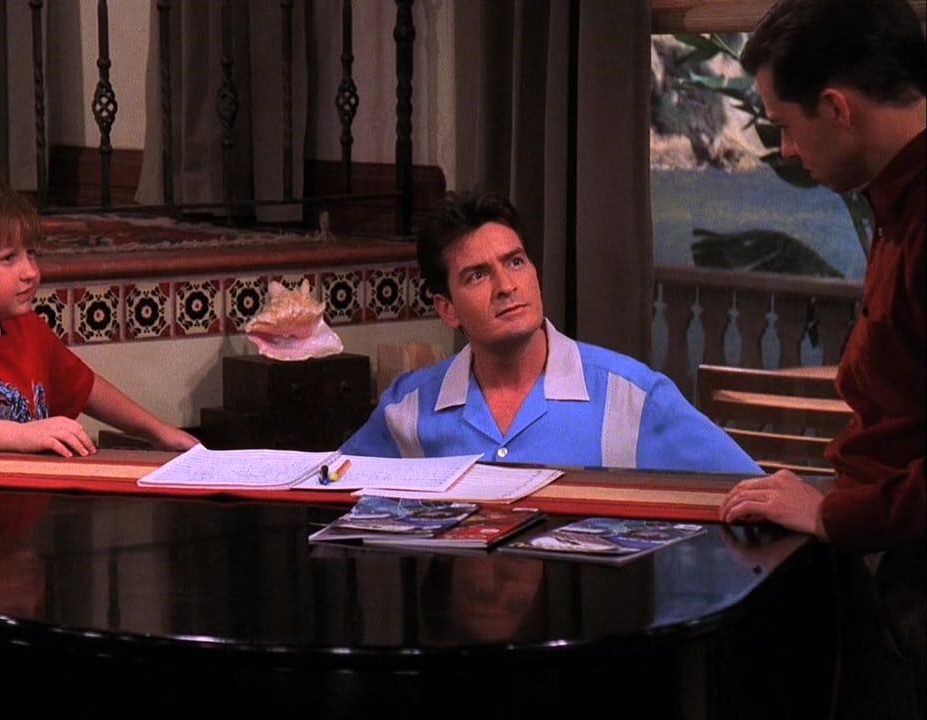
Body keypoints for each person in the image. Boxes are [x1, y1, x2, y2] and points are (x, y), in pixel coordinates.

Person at [717, 0, 925, 715]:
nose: (786, 151)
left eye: (786, 125)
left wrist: (836, 516)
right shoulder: (898, 209)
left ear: (836, 108)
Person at [339, 188, 761, 474]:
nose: (506, 286)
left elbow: (747, 493)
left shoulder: (632, 398)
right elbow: (331, 489)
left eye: (515, 262)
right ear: (448, 310)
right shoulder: (407, 410)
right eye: (477, 275)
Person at [0, 175, 199, 457]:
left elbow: (84, 388)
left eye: (30, 254)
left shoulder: (26, 327)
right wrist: (22, 435)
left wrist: (157, 432)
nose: (30, 271)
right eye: (8, 258)